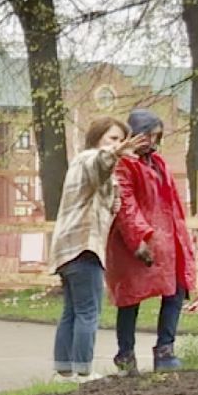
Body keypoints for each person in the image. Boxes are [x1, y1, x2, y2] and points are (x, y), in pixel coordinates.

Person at [106, 109, 195, 373]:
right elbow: (126, 205)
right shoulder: (124, 164)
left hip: (167, 241)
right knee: (130, 298)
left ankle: (165, 350)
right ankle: (125, 354)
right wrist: (138, 239)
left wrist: (180, 238)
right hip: (137, 242)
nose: (154, 142)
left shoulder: (158, 163)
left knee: (176, 290)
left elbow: (172, 204)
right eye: (149, 135)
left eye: (157, 136)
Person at [47, 116, 126, 379]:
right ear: (97, 137)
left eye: (121, 139)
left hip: (65, 248)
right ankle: (83, 372)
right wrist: (112, 153)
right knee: (88, 312)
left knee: (71, 311)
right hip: (84, 246)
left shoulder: (80, 164)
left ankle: (64, 370)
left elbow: (104, 188)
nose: (118, 144)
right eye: (113, 138)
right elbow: (101, 164)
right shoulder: (91, 158)